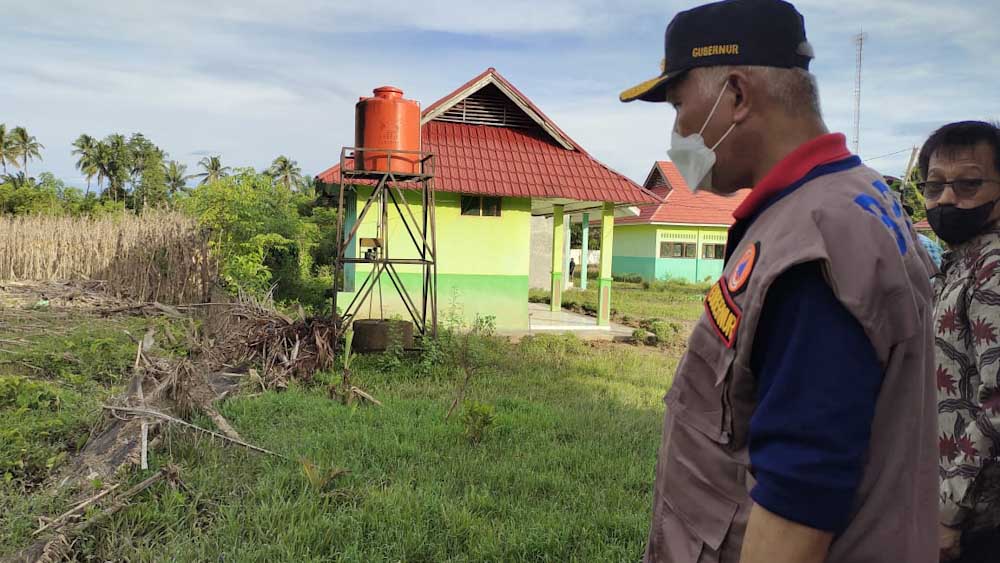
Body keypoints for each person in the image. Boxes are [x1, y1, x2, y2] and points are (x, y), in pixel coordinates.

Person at [619, 1, 937, 561]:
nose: (676, 133)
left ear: (737, 95)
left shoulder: (815, 242)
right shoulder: (857, 195)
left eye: (678, 107)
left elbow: (800, 498)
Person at [920, 121, 1000, 562]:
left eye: (969, 184)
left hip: (977, 523)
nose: (947, 198)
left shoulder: (993, 267)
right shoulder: (958, 264)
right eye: (935, 186)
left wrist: (949, 513)